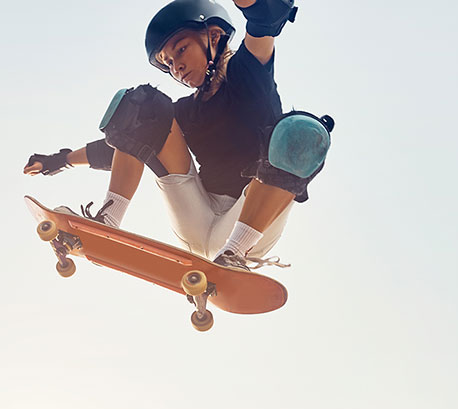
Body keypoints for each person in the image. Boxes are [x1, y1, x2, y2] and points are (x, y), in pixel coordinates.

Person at [23, 0, 333, 270]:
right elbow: (124, 146)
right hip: (196, 216)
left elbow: (264, 22)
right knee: (144, 108)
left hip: (249, 226)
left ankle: (234, 255)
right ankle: (108, 221)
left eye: (181, 50)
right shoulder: (185, 112)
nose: (177, 66)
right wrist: (61, 160)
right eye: (168, 63)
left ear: (213, 36)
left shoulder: (248, 72)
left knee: (301, 133)